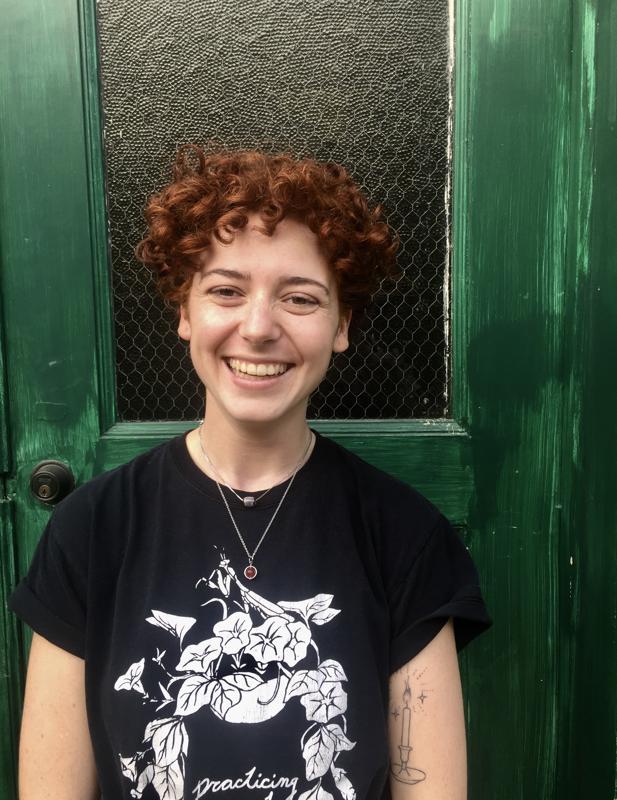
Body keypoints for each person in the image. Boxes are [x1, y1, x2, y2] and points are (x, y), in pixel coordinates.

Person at [9, 147, 491, 800]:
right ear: (185, 311)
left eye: (299, 298)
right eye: (226, 291)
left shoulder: (405, 537)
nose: (258, 327)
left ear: (340, 324)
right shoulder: (92, 530)